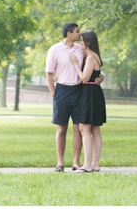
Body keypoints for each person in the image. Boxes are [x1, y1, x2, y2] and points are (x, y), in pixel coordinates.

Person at [44, 22, 103, 172]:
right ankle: (60, 163)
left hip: (80, 92)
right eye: (77, 31)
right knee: (61, 128)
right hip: (62, 91)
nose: (80, 34)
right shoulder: (54, 50)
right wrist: (54, 94)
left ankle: (76, 163)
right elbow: (49, 73)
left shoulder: (81, 49)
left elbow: (93, 63)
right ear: (69, 34)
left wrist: (100, 76)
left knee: (79, 129)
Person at [70, 30, 107, 172]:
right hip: (95, 93)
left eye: (82, 41)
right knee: (95, 129)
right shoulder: (95, 56)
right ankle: (95, 164)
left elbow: (84, 78)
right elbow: (96, 75)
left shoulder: (90, 57)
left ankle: (87, 165)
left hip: (89, 93)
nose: (80, 43)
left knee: (84, 129)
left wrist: (74, 64)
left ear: (89, 42)